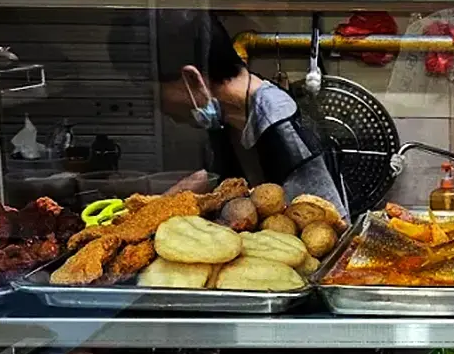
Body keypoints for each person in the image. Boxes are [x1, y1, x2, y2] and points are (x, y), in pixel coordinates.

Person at [146, 12, 348, 216]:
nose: (161, 108)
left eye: (156, 95)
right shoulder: (228, 116)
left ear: (192, 78)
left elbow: (330, 222)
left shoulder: (280, 125)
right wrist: (159, 208)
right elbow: (221, 177)